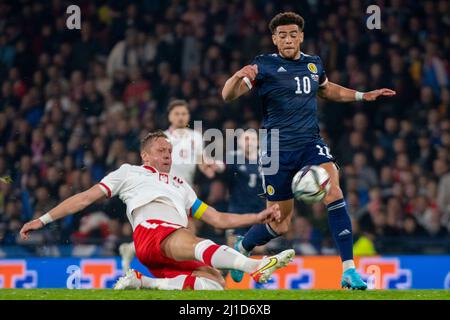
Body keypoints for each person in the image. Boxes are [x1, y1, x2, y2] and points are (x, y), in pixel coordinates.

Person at [221, 12, 396, 290]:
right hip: (276, 150)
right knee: (280, 224)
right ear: (274, 39)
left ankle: (348, 271)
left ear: (301, 36)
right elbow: (228, 96)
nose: (288, 39)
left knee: (334, 191)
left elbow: (327, 91)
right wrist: (236, 76)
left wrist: (363, 95)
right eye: (282, 35)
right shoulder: (263, 65)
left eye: (293, 34)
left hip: (309, 144)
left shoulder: (313, 64)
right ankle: (243, 246)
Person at [19, 130, 294, 290]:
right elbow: (84, 198)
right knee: (198, 241)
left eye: (170, 151)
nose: (167, 154)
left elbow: (218, 218)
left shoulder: (181, 185)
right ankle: (256, 267)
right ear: (145, 156)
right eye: (161, 150)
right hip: (152, 234)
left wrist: (257, 217)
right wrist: (43, 220)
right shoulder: (129, 173)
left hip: (168, 248)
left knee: (214, 282)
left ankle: (147, 283)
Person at [119, 99, 222, 271]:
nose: (181, 117)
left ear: (188, 116)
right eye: (177, 114)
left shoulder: (195, 137)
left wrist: (212, 167)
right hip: (165, 192)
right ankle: (190, 271)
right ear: (169, 117)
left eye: (184, 113)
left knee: (183, 233)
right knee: (185, 232)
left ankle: (132, 248)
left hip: (184, 192)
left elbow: (202, 162)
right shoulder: (162, 140)